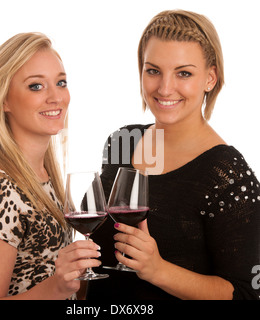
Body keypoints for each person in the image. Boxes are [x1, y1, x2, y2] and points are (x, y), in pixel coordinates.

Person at [87, 10, 260, 300]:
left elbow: (246, 293)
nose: (165, 88)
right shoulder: (122, 141)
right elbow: (96, 250)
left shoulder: (228, 174)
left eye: (184, 73)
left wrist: (158, 270)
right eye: (153, 70)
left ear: (210, 78)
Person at [0, 32, 101, 300]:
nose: (56, 97)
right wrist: (59, 286)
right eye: (36, 86)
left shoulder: (45, 177)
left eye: (61, 82)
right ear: (4, 100)